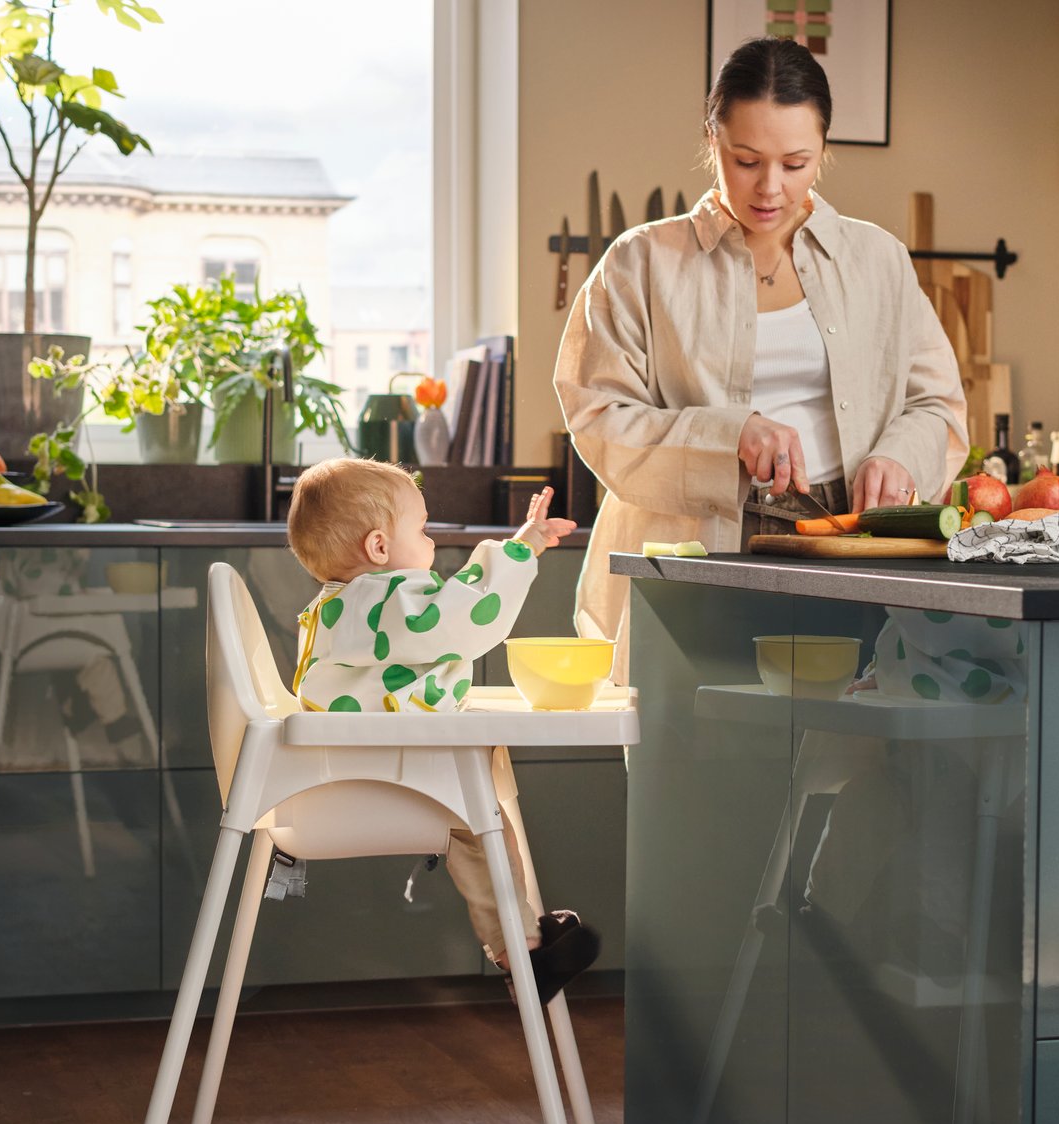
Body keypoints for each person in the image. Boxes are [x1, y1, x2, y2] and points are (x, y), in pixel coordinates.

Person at [554, 36, 968, 683]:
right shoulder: (640, 264)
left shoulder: (878, 259)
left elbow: (935, 403)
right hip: (698, 544)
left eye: (796, 162)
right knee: (696, 752)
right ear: (712, 140)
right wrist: (729, 434)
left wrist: (898, 457)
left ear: (824, 150)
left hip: (848, 543)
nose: (771, 187)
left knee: (849, 752)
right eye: (746, 160)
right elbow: (597, 413)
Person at [284, 456, 597, 1002]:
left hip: (354, 768)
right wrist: (518, 552)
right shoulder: (380, 600)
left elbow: (445, 609)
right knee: (482, 824)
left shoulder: (349, 604)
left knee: (484, 819)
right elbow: (464, 620)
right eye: (423, 529)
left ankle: (521, 945)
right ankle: (521, 951)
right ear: (380, 548)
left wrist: (520, 544)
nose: (431, 541)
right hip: (379, 778)